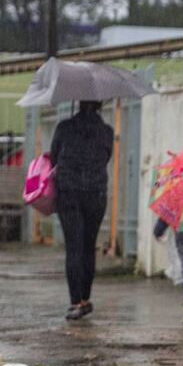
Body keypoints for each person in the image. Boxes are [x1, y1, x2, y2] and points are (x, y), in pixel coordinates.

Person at [49, 101, 114, 321]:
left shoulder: (64, 127)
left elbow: (53, 159)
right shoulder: (106, 132)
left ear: (78, 104)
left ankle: (75, 302)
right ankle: (85, 299)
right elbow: (106, 157)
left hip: (68, 192)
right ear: (99, 105)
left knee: (73, 247)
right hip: (96, 193)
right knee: (89, 246)